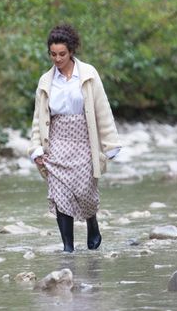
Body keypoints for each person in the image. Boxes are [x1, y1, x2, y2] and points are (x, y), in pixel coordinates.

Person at [28, 23, 122, 252]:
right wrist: (36, 148)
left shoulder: (88, 74)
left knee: (85, 191)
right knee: (59, 194)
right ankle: (68, 247)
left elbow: (102, 109)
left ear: (71, 51)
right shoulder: (45, 81)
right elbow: (39, 118)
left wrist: (110, 143)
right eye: (53, 54)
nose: (57, 59)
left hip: (84, 139)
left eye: (62, 54)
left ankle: (92, 222)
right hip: (57, 140)